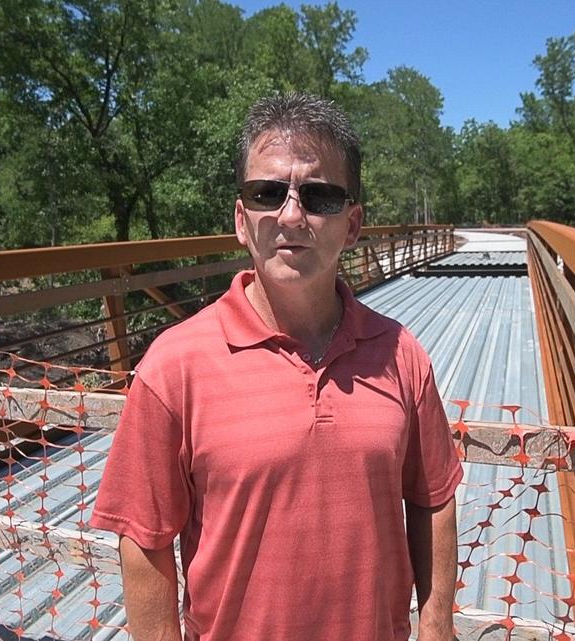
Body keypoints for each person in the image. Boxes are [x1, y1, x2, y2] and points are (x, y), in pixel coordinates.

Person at [90, 92, 462, 641]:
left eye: (319, 197)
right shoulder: (174, 367)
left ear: (353, 225)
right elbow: (143, 537)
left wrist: (436, 626)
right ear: (242, 220)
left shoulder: (400, 352)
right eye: (267, 193)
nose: (291, 215)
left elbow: (433, 497)